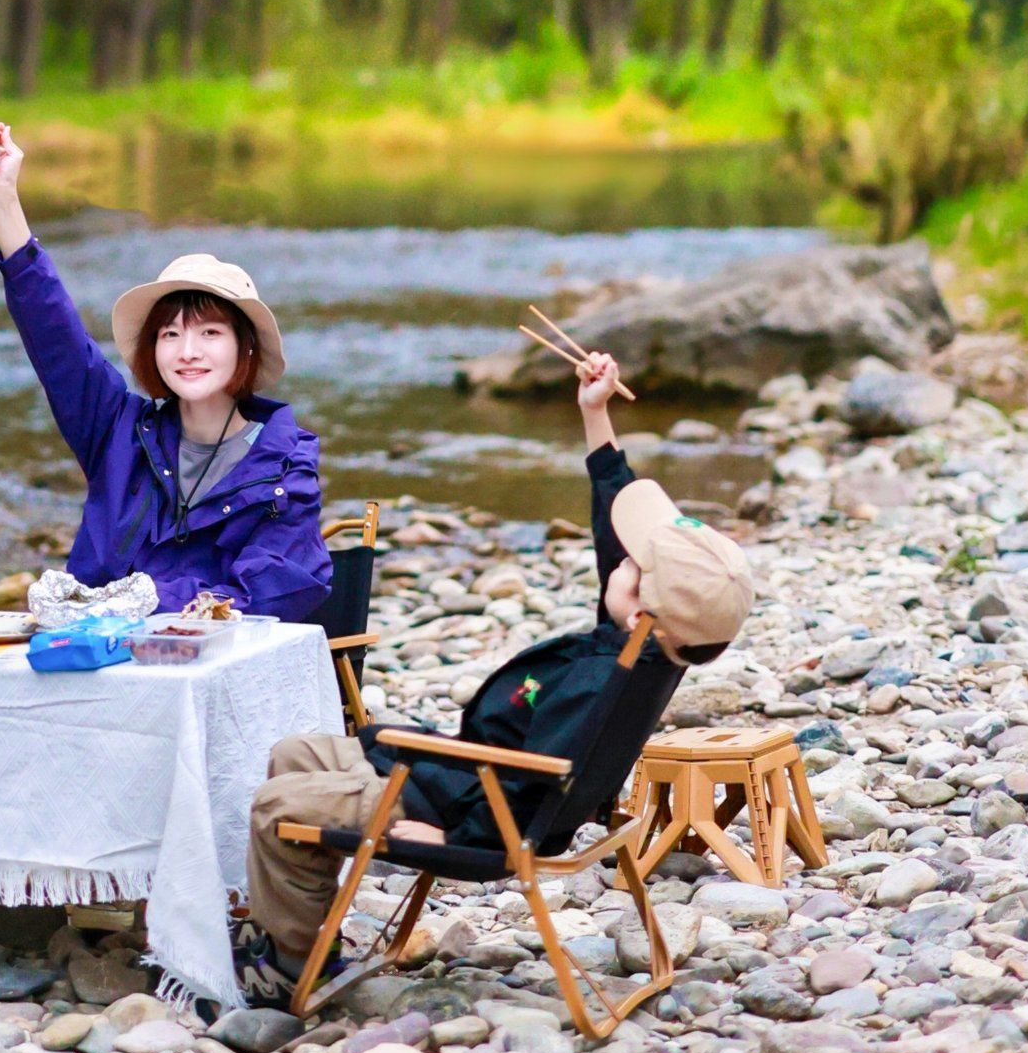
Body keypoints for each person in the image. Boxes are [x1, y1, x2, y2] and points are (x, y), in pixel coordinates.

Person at [235, 345, 755, 1002]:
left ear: (644, 609)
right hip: (477, 783)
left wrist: (439, 837)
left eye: (633, 565)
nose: (620, 560)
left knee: (277, 804)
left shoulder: (601, 681)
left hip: (480, 817)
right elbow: (613, 516)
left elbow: (532, 783)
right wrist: (595, 417)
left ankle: (289, 965)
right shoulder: (646, 650)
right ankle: (308, 923)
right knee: (295, 752)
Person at [0, 119, 330, 620]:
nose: (188, 351)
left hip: (208, 678)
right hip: (97, 669)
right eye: (170, 334)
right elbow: (55, 339)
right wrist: (4, 196)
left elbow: (274, 595)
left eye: (210, 334)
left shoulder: (283, 467)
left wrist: (138, 600)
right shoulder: (116, 432)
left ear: (245, 350)